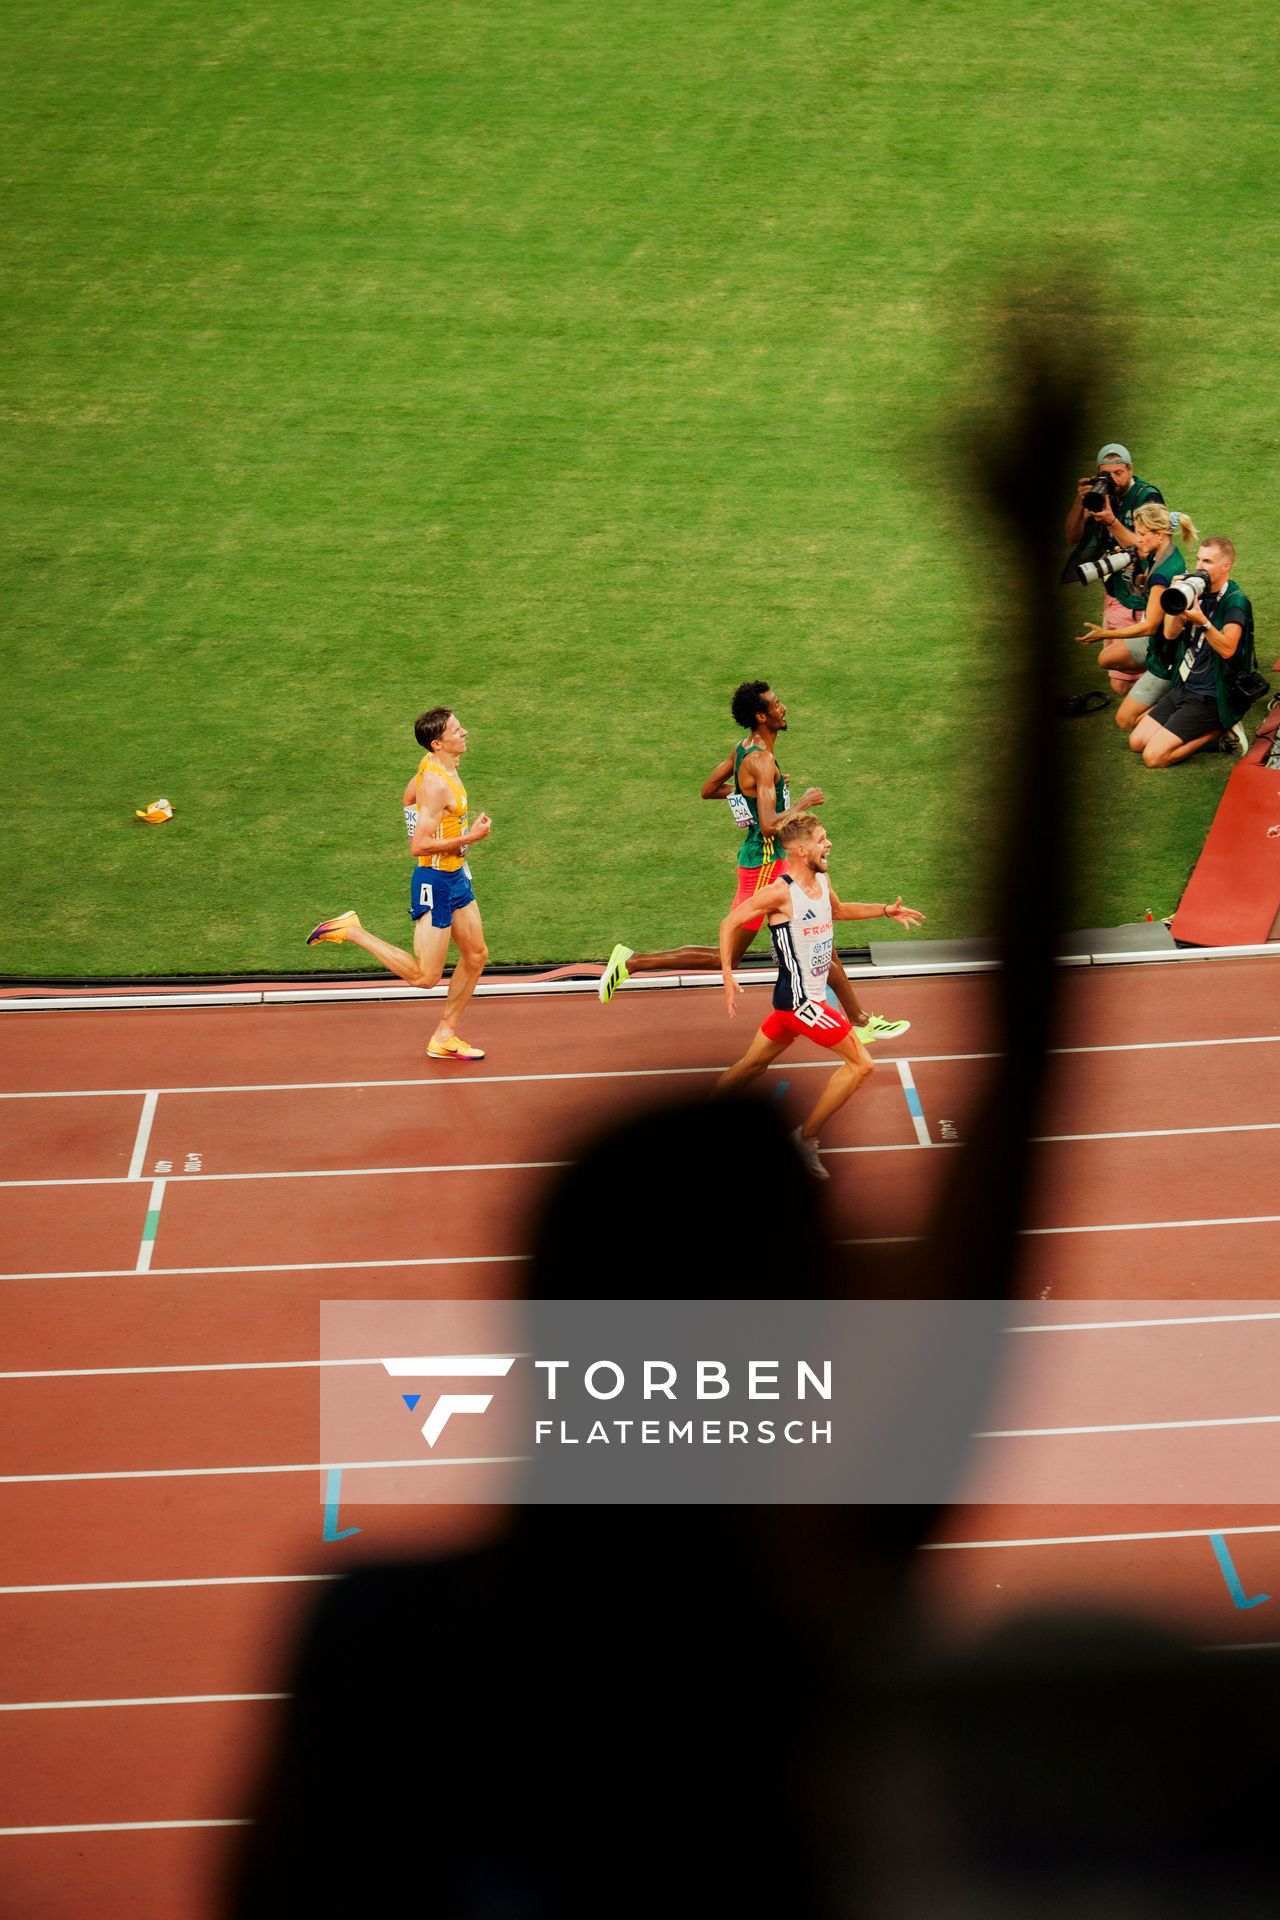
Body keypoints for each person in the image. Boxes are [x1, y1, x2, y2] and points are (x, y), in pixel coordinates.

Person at [598, 681, 910, 1044]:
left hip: (765, 858)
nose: (784, 708)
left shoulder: (744, 749)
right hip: (765, 863)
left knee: (820, 931)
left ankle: (859, 1019)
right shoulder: (761, 761)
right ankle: (631, 962)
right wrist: (801, 803)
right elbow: (767, 825)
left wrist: (765, 793)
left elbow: (710, 789)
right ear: (762, 716)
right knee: (728, 956)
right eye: (777, 705)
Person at [715, 814, 924, 1179]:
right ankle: (806, 1137)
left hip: (797, 1002)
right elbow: (728, 923)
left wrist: (885, 910)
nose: (828, 845)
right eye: (822, 840)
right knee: (863, 1065)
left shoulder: (822, 880)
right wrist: (727, 975)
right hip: (801, 1003)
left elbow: (840, 911)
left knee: (752, 1066)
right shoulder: (781, 892)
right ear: (800, 850)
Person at [306, 707, 492, 1059]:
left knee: (476, 955)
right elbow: (417, 846)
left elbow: (409, 799)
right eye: (456, 730)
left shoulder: (437, 765)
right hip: (435, 881)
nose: (464, 732)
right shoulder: (436, 783)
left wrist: (451, 832)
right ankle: (352, 930)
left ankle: (445, 1034)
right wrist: (470, 838)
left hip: (455, 876)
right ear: (438, 743)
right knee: (425, 977)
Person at [1129, 538, 1256, 768]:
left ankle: (1217, 732)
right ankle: (1207, 728)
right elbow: (1169, 633)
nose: (1200, 566)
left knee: (1153, 757)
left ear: (1225, 566)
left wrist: (1204, 623)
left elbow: (1228, 649)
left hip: (1210, 694)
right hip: (1184, 685)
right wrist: (1175, 595)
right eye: (1198, 558)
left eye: (1207, 561)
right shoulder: (1194, 592)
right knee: (1136, 742)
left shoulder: (1235, 601)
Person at [1075, 504, 1199, 731]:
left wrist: (1106, 633)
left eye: (1142, 534)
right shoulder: (1164, 553)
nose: (1138, 539)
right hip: (1160, 642)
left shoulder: (1163, 573)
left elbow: (1150, 626)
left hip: (1164, 656)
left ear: (1159, 535)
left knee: (1124, 721)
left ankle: (1180, 701)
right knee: (1106, 659)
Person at [1064, 442, 1164, 695]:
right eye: (1107, 474)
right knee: (1121, 682)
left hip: (1138, 597)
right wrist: (1081, 502)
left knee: (1131, 676)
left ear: (1130, 469)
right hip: (1113, 592)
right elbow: (1072, 536)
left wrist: (1111, 521)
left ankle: (1171, 703)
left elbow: (1148, 549)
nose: (1113, 479)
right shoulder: (1100, 496)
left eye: (1119, 473)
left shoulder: (1147, 497)